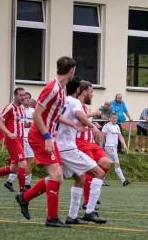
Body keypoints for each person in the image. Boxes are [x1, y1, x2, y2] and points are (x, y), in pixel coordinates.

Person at [14, 56, 80, 228]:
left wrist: (73, 124)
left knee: (57, 176)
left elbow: (52, 114)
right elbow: (36, 114)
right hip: (40, 136)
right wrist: (47, 138)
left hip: (48, 136)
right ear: (71, 70)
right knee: (56, 175)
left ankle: (24, 197)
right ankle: (51, 218)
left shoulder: (62, 89)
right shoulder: (53, 88)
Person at [55, 78, 107, 225]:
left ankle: (72, 216)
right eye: (91, 92)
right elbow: (79, 115)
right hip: (68, 147)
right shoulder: (75, 101)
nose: (92, 94)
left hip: (58, 145)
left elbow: (57, 117)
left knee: (78, 178)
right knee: (99, 173)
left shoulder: (63, 101)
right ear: (80, 91)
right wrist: (93, 126)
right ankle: (90, 212)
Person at [75, 81, 113, 209]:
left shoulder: (85, 106)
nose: (92, 95)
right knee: (90, 168)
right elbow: (77, 118)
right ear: (84, 92)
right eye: (91, 92)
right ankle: (87, 200)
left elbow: (84, 121)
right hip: (81, 142)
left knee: (106, 163)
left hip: (91, 142)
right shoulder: (75, 104)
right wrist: (92, 115)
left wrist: (94, 125)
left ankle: (92, 193)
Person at [0, 88, 28, 192]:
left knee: (14, 168)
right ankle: (23, 191)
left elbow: (21, 123)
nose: (23, 97)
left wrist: (31, 124)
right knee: (23, 164)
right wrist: (9, 133)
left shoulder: (22, 108)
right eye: (21, 95)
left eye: (24, 95)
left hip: (20, 140)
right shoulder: (10, 107)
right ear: (15, 96)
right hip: (12, 140)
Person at [4, 92, 36, 191]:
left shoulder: (32, 110)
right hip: (23, 138)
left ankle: (10, 181)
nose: (27, 100)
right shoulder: (21, 109)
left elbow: (35, 122)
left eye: (28, 98)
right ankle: (26, 185)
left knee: (26, 162)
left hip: (30, 138)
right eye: (25, 98)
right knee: (27, 162)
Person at [102, 112, 131, 186]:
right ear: (110, 118)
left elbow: (120, 136)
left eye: (115, 118)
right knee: (117, 163)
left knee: (107, 164)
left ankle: (101, 180)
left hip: (113, 147)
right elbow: (102, 136)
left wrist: (124, 144)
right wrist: (100, 146)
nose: (114, 119)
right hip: (110, 147)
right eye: (113, 118)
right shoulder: (107, 126)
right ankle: (123, 181)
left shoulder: (117, 126)